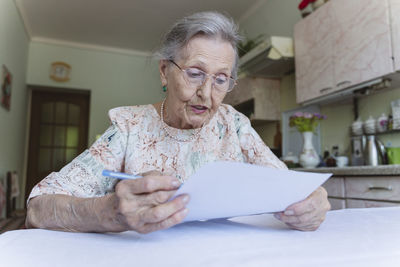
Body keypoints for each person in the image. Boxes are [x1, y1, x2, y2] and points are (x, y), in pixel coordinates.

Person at [26, 11, 330, 233]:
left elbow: (290, 187)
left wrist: (313, 201)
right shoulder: (131, 126)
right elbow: (38, 209)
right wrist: (111, 213)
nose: (207, 94)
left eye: (221, 79)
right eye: (195, 73)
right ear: (164, 71)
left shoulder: (234, 124)